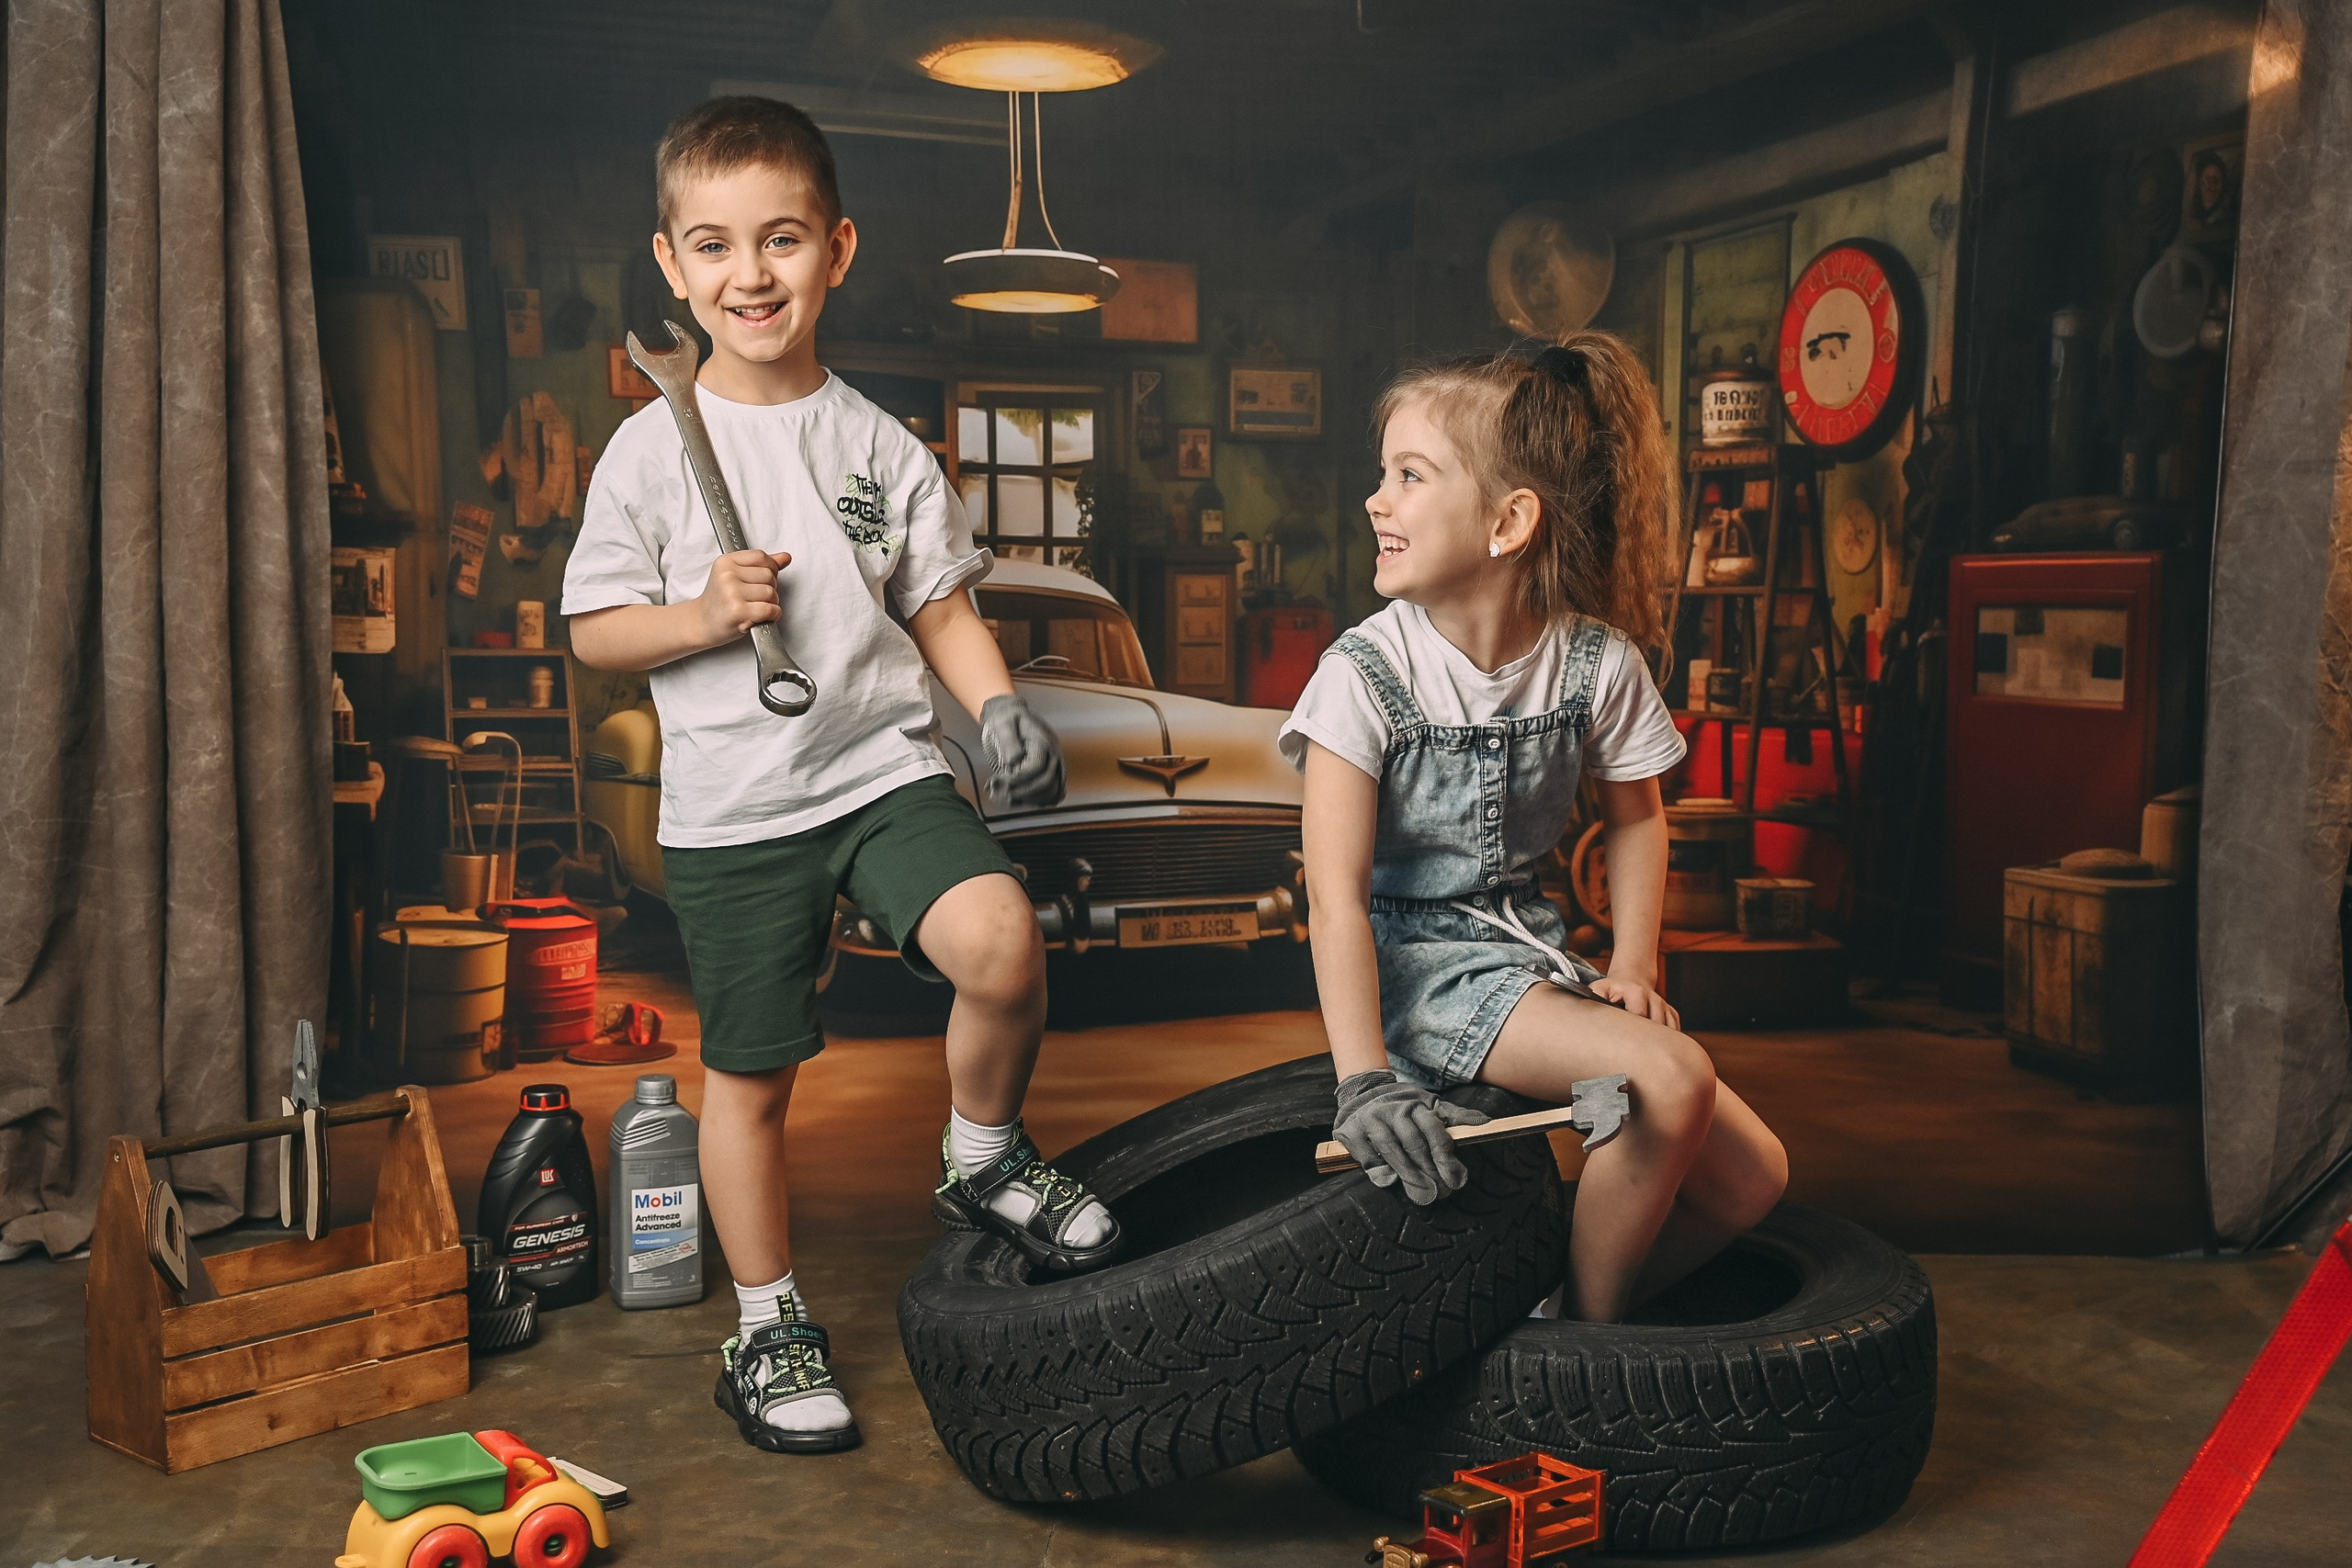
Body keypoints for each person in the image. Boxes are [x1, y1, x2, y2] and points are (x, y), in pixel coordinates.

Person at [562, 96, 1120, 1457]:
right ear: (671, 266)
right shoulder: (649, 445)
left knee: (1003, 940)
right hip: (736, 809)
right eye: (714, 245)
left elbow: (937, 603)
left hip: (879, 772)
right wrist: (699, 614)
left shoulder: (879, 445)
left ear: (838, 249)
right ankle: (766, 1327)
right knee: (752, 1078)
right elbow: (593, 633)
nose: (750, 274)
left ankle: (981, 1157)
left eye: (783, 239)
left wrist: (996, 707)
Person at [1280, 334, 1787, 1325]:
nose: (1375, 501)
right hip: (1415, 965)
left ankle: (1546, 1318)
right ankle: (1579, 1355)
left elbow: (1637, 818)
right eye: (1382, 475)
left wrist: (1633, 964)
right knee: (1671, 1074)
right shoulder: (1360, 676)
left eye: (1409, 476)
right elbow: (1333, 900)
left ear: (1508, 522)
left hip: (1527, 949)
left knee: (1751, 1178)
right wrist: (1364, 1082)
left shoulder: (1594, 663)